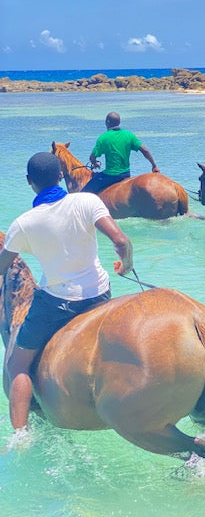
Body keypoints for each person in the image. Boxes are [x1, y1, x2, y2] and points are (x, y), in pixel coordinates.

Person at [0, 152, 133, 434]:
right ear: (61, 174)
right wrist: (126, 265)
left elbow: (2, 267)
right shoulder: (87, 200)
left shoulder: (23, 223)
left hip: (56, 302)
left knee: (18, 365)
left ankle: (20, 435)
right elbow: (120, 240)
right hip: (99, 295)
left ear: (28, 182)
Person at [82, 111, 160, 194]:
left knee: (84, 193)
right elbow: (145, 150)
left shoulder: (103, 138)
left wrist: (95, 164)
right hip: (126, 174)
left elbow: (92, 157)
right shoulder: (129, 135)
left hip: (111, 175)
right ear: (119, 122)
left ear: (107, 122)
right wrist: (154, 166)